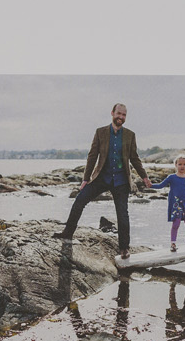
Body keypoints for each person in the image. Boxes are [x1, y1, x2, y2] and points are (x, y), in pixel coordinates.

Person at [53, 103, 151, 258]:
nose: (121, 117)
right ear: (112, 113)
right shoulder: (100, 132)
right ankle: (67, 233)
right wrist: (86, 179)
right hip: (101, 177)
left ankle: (124, 248)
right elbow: (92, 156)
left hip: (121, 181)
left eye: (124, 115)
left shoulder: (130, 135)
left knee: (122, 214)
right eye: (118, 113)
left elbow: (134, 158)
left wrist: (144, 176)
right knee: (80, 200)